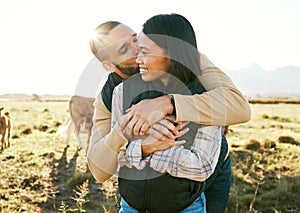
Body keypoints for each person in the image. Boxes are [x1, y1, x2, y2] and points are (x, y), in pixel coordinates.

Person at [87, 18, 250, 211]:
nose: (138, 46)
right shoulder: (111, 94)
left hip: (207, 174)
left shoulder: (189, 60)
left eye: (134, 39)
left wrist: (168, 104)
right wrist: (129, 132)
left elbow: (240, 107)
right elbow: (99, 169)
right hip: (142, 192)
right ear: (110, 66)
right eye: (125, 49)